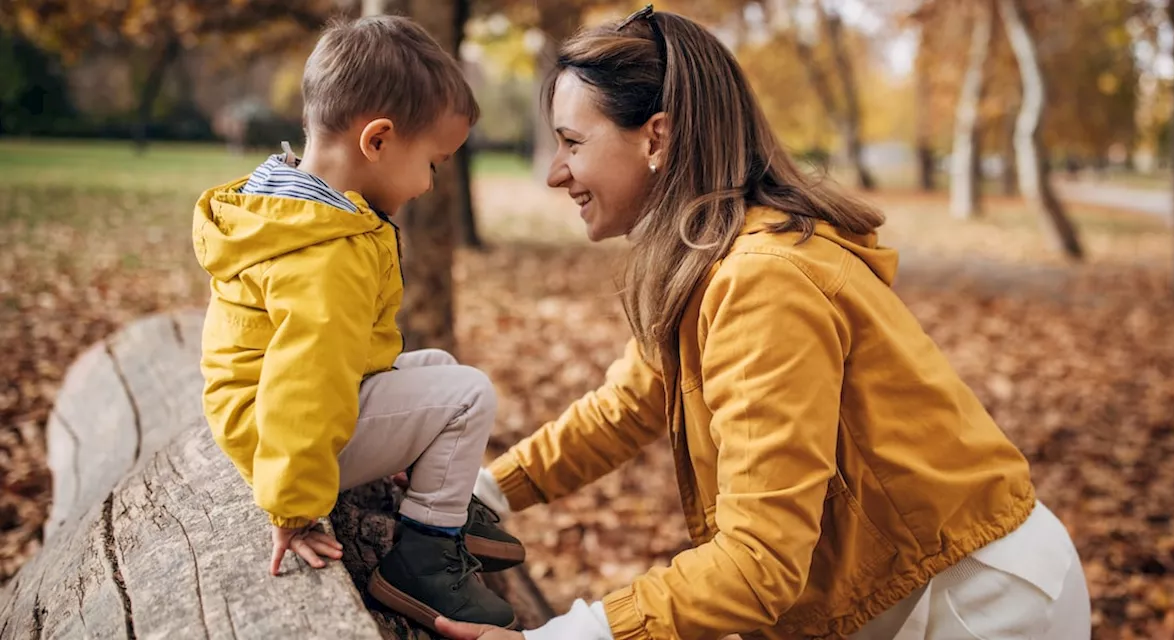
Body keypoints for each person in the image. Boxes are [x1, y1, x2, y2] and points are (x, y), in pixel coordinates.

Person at [435, 6, 1091, 640]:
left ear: (656, 137)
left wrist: (568, 636)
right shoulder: (709, 260)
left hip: (980, 603)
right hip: (906, 598)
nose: (556, 173)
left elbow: (759, 561)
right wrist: (487, 493)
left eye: (572, 143)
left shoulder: (762, 281)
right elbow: (628, 404)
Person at [192, 15, 523, 631]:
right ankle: (424, 555)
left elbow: (332, 363)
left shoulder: (298, 210)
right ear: (378, 140)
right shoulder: (328, 256)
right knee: (470, 393)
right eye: (433, 162)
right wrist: (294, 508)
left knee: (439, 370)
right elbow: (307, 385)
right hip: (275, 438)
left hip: (253, 415)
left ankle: (439, 502)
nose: (429, 184)